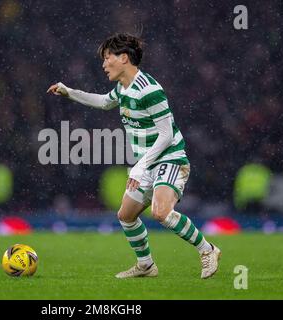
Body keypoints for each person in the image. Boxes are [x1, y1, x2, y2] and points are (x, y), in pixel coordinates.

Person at [47, 33, 221, 279]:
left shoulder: (149, 90)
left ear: (124, 58)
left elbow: (166, 135)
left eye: (108, 58)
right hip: (147, 163)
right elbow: (104, 102)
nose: (104, 64)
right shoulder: (123, 88)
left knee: (160, 212)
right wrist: (69, 92)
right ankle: (146, 265)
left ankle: (208, 250)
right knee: (125, 216)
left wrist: (140, 166)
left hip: (169, 158)